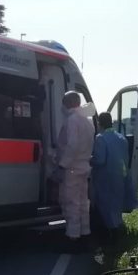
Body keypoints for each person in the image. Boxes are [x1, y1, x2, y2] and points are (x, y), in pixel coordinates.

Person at [53, 90, 95, 248]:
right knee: (83, 203)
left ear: (68, 104)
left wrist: (62, 165)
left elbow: (72, 145)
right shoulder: (87, 120)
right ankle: (85, 234)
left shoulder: (72, 120)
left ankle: (72, 239)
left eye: (63, 103)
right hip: (83, 167)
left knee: (71, 203)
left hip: (71, 168)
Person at [90, 112, 133, 244]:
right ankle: (118, 231)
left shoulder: (100, 138)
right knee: (116, 204)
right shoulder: (121, 138)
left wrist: (89, 159)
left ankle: (111, 236)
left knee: (105, 205)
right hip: (119, 176)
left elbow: (100, 160)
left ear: (99, 123)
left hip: (104, 177)